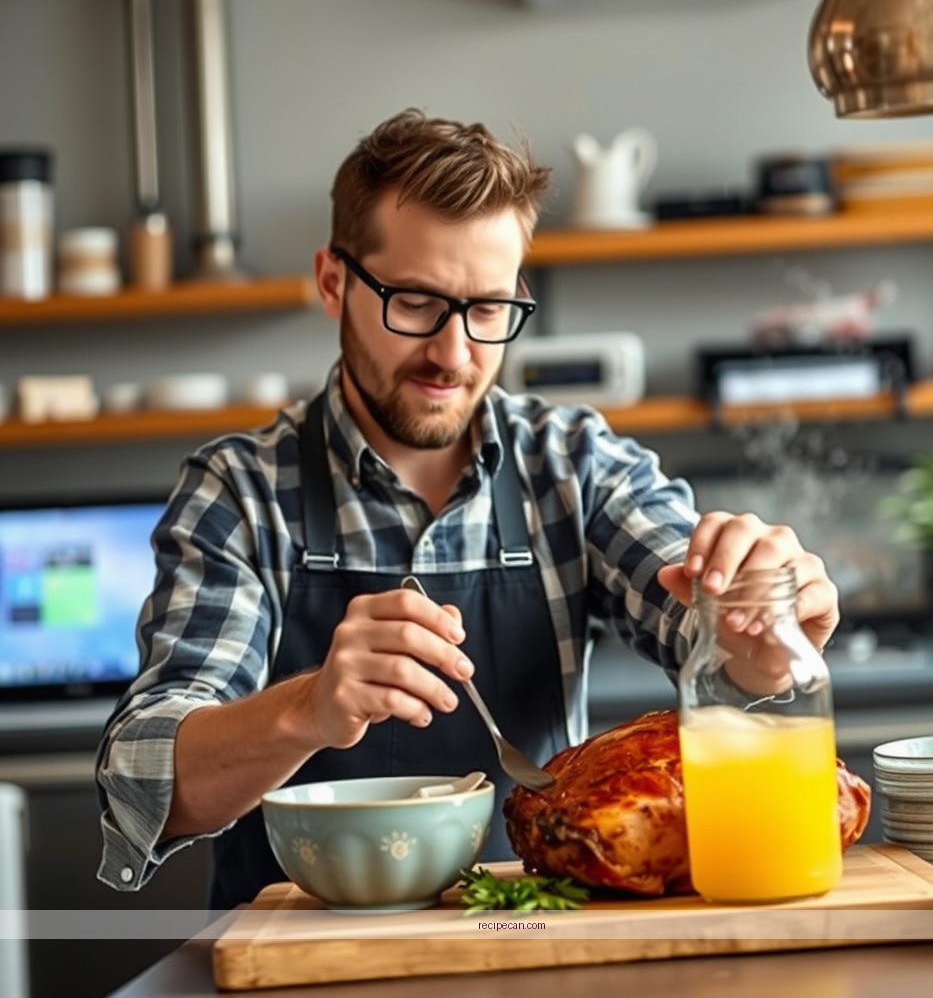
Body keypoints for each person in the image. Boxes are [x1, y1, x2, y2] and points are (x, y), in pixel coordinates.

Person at [95, 108, 839, 909]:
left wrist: (762, 624)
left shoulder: (574, 465)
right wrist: (309, 708)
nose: (453, 354)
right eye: (416, 302)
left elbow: (715, 635)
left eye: (487, 309)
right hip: (295, 956)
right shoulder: (240, 492)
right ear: (334, 282)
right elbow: (148, 778)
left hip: (525, 940)